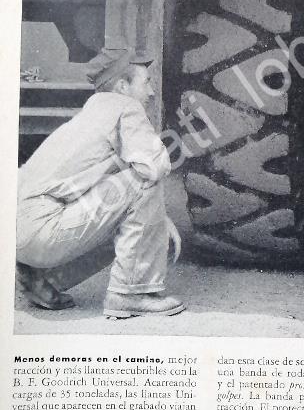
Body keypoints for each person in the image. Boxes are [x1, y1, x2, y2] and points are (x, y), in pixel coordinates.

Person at [16, 48, 185, 319]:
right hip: (44, 230)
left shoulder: (92, 112)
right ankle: (130, 293)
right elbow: (155, 166)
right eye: (146, 82)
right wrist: (157, 223)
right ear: (122, 87)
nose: (151, 92)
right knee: (145, 182)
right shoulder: (125, 106)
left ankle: (40, 279)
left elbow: (100, 190)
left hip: (17, 233)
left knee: (128, 192)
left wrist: (158, 220)